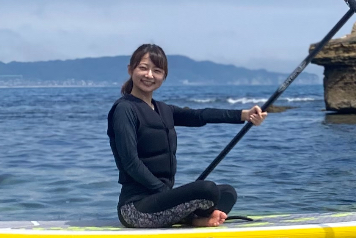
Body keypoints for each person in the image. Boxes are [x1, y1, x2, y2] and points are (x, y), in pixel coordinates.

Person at [107, 43, 266, 228]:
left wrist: (243, 115)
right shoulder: (124, 109)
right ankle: (193, 219)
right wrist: (163, 192)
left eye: (157, 70)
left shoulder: (163, 109)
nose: (149, 75)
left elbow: (200, 116)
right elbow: (130, 163)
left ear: (164, 76)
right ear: (130, 69)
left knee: (227, 193)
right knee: (207, 190)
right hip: (136, 209)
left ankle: (194, 219)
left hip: (161, 203)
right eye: (143, 68)